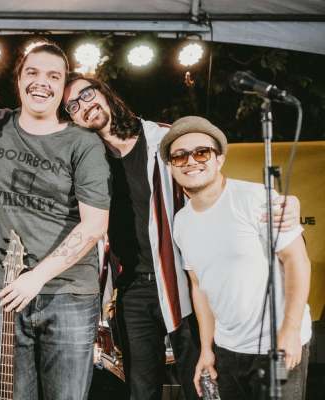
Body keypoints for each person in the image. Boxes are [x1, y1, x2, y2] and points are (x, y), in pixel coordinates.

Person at [63, 74, 301, 400]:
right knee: (140, 390)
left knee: (201, 383)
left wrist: (282, 202)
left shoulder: (163, 139)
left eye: (87, 94)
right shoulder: (88, 163)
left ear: (104, 92)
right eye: (72, 106)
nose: (83, 106)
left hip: (183, 281)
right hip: (131, 288)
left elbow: (210, 185)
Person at [0, 42, 111, 400]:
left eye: (53, 76)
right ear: (19, 79)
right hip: (4, 288)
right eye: (33, 72)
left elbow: (94, 225)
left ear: (63, 86)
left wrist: (36, 277)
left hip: (69, 293)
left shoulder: (83, 142)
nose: (42, 82)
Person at [162, 116, 312, 400]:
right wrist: (207, 349)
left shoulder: (255, 198)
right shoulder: (181, 222)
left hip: (277, 345)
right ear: (171, 167)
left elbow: (297, 261)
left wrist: (291, 331)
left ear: (219, 159)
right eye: (179, 156)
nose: (191, 161)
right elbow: (199, 287)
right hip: (228, 350)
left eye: (201, 152)